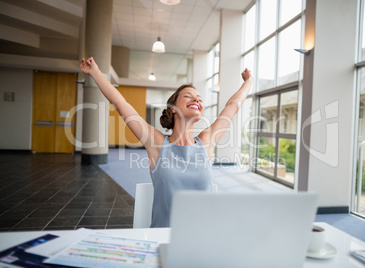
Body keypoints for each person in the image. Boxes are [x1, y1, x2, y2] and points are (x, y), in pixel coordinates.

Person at [80, 57, 252, 227]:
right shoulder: (157, 143)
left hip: (202, 239)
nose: (197, 100)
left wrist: (248, 81)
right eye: (188, 96)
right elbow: (119, 103)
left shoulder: (206, 142)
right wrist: (95, 72)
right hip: (162, 238)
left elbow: (233, 105)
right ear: (173, 109)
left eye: (199, 98)